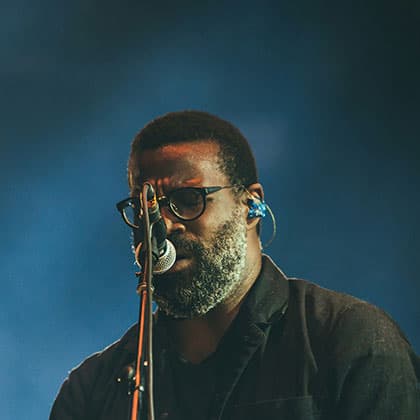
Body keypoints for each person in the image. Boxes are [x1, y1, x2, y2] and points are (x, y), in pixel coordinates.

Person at [50, 110, 419, 420]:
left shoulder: (352, 341)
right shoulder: (92, 389)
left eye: (188, 199)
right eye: (146, 208)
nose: (164, 225)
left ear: (250, 206)